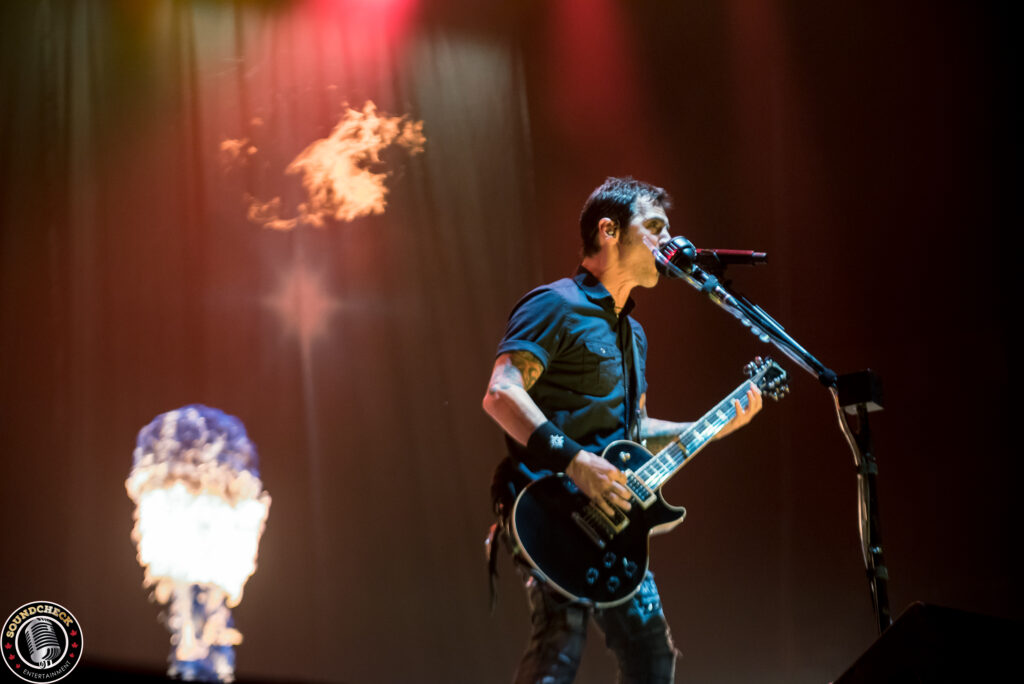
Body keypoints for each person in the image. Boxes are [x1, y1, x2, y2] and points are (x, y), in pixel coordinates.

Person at [482, 177, 763, 683]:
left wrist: (710, 427)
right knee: (560, 648)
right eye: (655, 228)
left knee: (652, 658)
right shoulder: (555, 304)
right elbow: (502, 394)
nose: (669, 242)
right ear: (608, 231)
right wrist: (575, 461)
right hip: (547, 508)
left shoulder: (633, 335)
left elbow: (635, 431)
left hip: (613, 519)